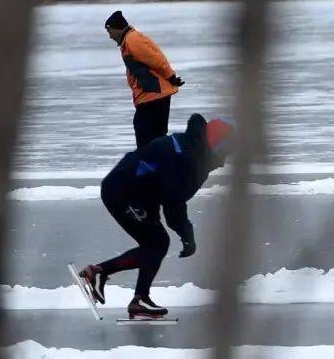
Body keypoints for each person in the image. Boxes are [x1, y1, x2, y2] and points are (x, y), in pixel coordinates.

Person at [77, 114, 234, 319]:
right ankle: (102, 274)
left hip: (137, 190)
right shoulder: (192, 160)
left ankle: (132, 295)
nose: (224, 162)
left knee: (156, 243)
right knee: (157, 243)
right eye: (226, 153)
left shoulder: (188, 144)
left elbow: (167, 191)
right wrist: (187, 235)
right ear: (217, 146)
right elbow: (173, 203)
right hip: (124, 191)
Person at [104, 10, 185, 148]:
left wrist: (171, 77)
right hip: (150, 95)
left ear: (118, 28)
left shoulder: (132, 40)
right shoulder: (128, 41)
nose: (110, 36)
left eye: (110, 32)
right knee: (150, 136)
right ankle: (156, 166)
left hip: (154, 95)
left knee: (149, 137)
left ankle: (156, 166)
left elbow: (157, 60)